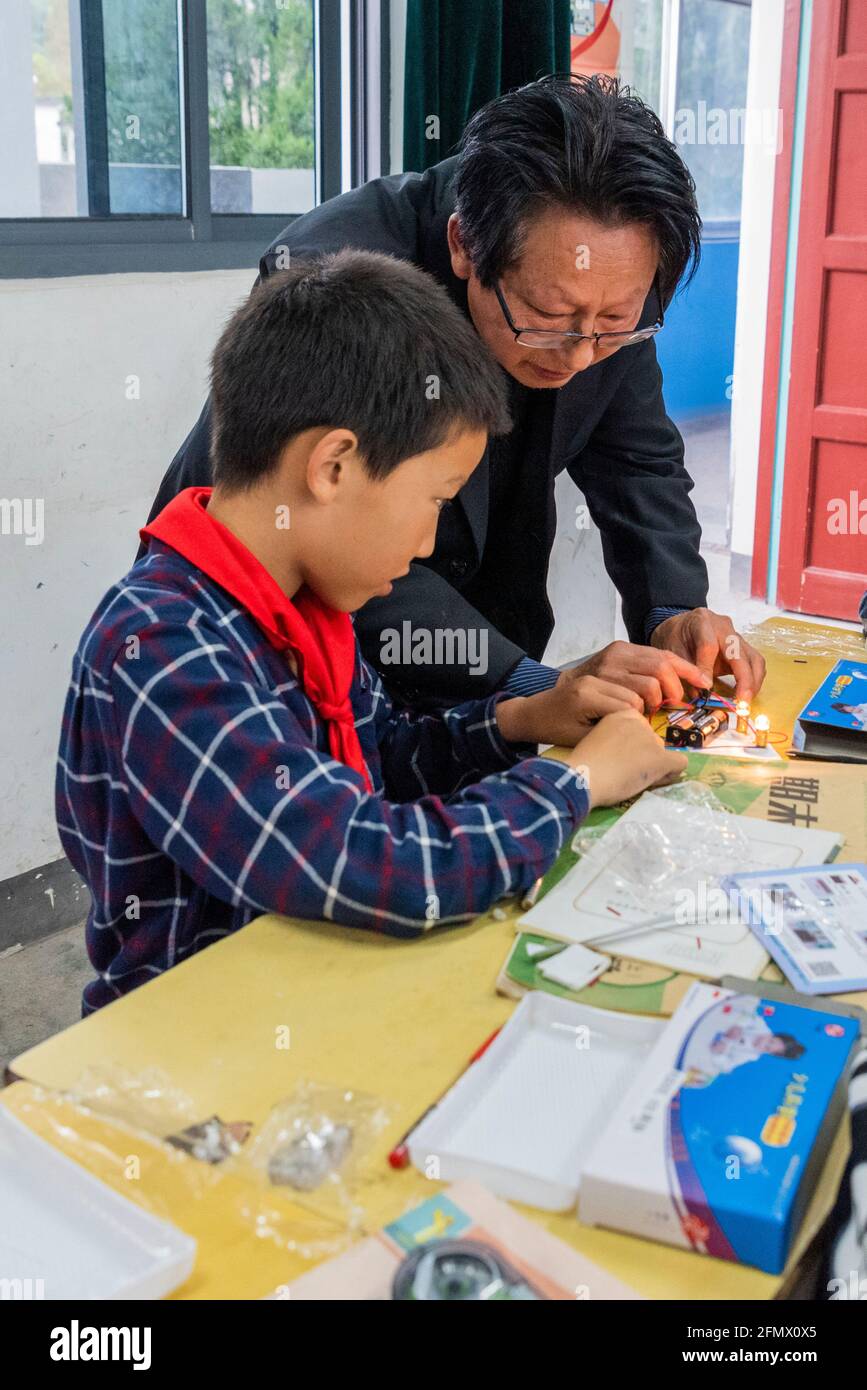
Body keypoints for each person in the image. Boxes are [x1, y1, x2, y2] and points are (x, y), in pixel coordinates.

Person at [57, 252, 685, 1014]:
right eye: (434, 499)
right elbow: (355, 860)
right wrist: (573, 783)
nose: (427, 545)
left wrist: (520, 719)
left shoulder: (304, 607)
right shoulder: (166, 646)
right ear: (333, 466)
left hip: (320, 986)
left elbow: (375, 759)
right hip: (192, 1036)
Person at [144, 74, 766, 713]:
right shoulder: (340, 293)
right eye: (547, 318)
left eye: (614, 323)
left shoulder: (605, 284)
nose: (582, 354)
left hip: (460, 671)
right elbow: (329, 537)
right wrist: (537, 690)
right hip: (285, 660)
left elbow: (638, 461)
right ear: (464, 245)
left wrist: (674, 610)